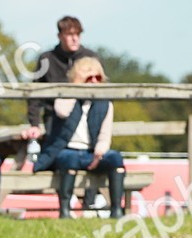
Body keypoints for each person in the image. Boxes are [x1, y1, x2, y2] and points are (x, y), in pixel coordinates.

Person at [32, 57, 127, 218]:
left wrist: (99, 153)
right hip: (66, 150)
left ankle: (117, 209)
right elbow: (62, 111)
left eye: (98, 78)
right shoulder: (64, 97)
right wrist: (75, 91)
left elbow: (104, 136)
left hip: (91, 152)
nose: (94, 82)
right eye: (90, 78)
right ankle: (65, 210)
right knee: (70, 160)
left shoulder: (105, 104)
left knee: (116, 159)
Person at [23, 15, 99, 141]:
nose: (74, 38)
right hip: (54, 120)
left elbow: (102, 91)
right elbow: (34, 95)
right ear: (60, 36)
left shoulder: (91, 58)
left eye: (78, 34)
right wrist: (34, 124)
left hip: (86, 119)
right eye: (70, 34)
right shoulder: (47, 60)